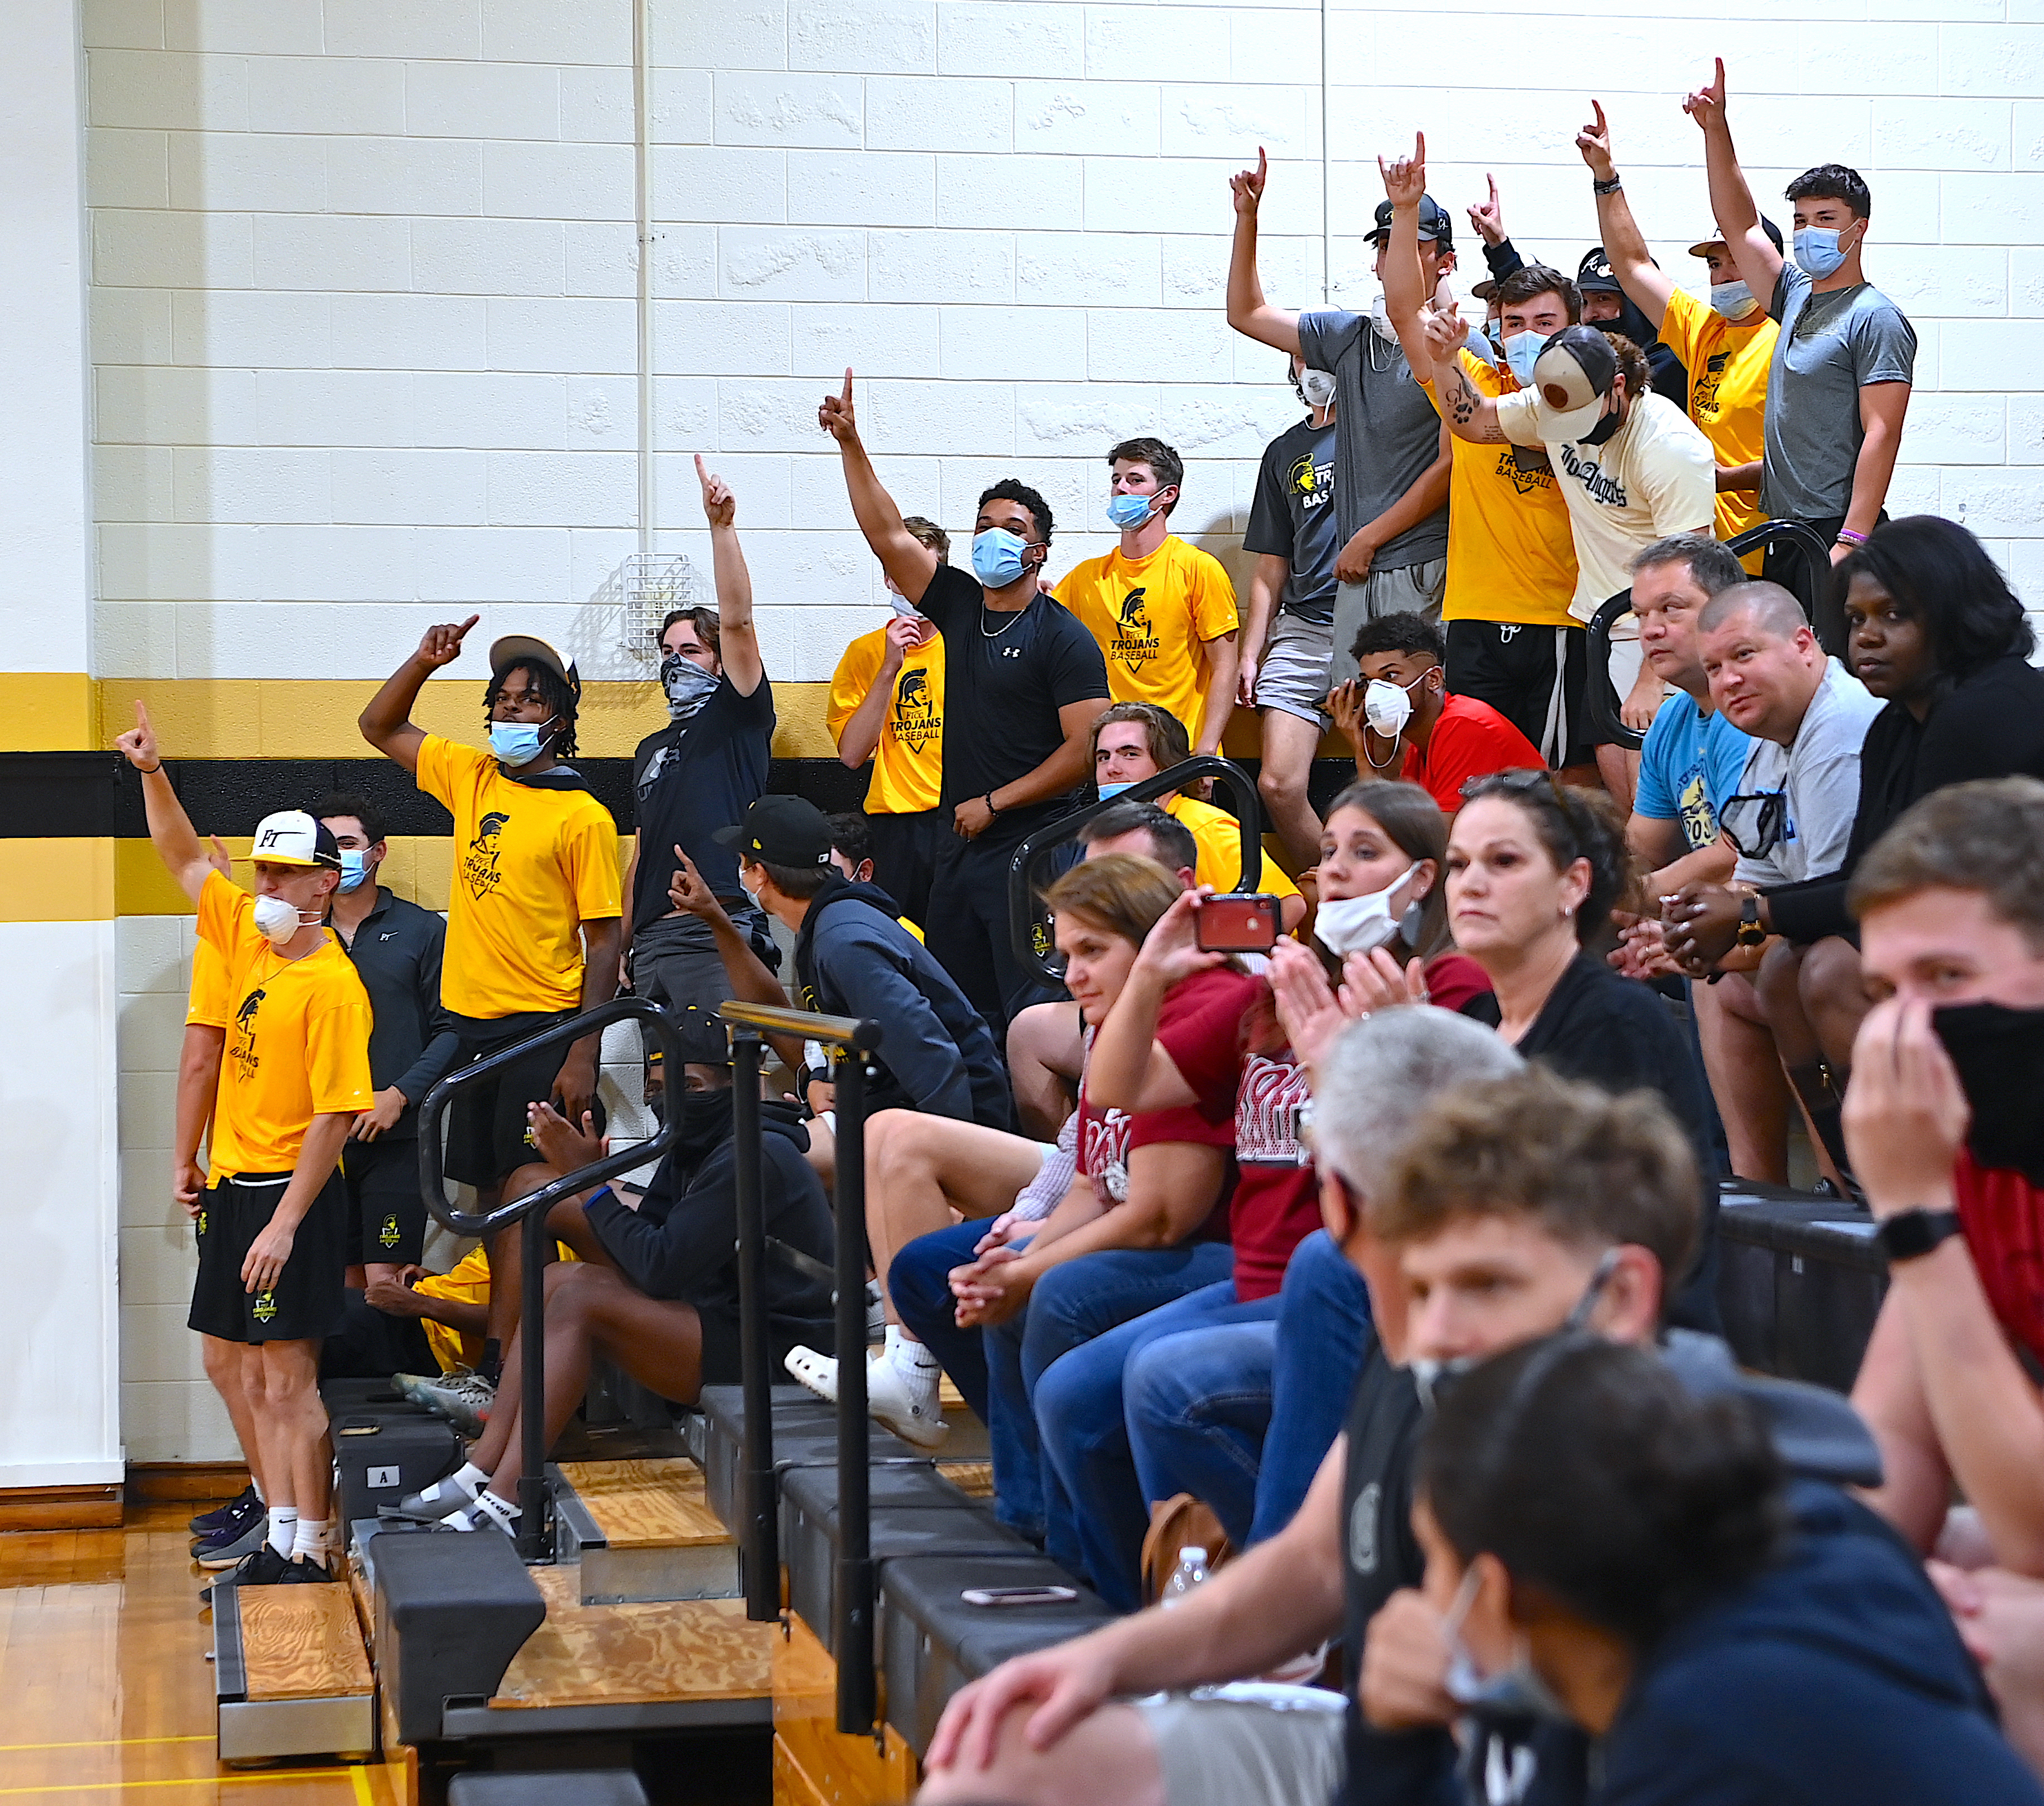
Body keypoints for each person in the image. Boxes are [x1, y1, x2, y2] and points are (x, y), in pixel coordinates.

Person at [1053, 781, 1491, 1606]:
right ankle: (1132, 1605)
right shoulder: (1276, 988)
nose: (1337, 873)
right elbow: (1116, 1089)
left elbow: (1413, 1169)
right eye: (1328, 853)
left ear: (1422, 879)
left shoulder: (1446, 983)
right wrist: (1151, 969)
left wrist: (1356, 1044)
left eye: (1367, 854)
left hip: (1341, 1277)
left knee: (1162, 1381)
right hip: (1251, 1281)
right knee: (1072, 1393)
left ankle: (1281, 1609)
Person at [1416, 1335, 2044, 1806]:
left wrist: (1393, 1746)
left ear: (1496, 1591)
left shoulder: (1701, 1737)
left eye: (1436, 1562)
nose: (1426, 1599)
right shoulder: (1801, 1574)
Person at [1664, 518, 2044, 1169]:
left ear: (1954, 613)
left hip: (2015, 959)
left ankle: (1922, 1179)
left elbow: (1908, 897)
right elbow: (1867, 876)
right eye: (1857, 616)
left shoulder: (1989, 712)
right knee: (1783, 969)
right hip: (1962, 942)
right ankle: (1853, 1177)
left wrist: (1752, 914)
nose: (1866, 635)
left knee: (1831, 968)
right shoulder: (1898, 725)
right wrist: (1733, 919)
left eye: (1893, 615)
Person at [880, 856, 1237, 1537]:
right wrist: (1025, 1242)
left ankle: (1078, 1539)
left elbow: (1161, 1216)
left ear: (1156, 938)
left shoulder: (1197, 1007)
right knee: (940, 1271)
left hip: (1211, 1246)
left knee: (1053, 1294)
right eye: (1065, 952)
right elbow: (1089, 1178)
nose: (1071, 974)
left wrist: (1029, 1266)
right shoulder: (1111, 1021)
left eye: (1092, 951)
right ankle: (1032, 1505)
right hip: (1136, 1221)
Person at [117, 703, 373, 1588]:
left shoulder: (335, 987)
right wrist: (154, 772)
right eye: (262, 867)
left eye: (286, 872)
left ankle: (308, 1544)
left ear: (324, 885)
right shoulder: (247, 938)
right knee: (246, 1375)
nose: (265, 883)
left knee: (288, 1386)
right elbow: (186, 857)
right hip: (236, 1186)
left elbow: (334, 1118)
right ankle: (285, 1532)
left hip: (285, 1197)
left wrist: (285, 1224)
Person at [399, 1062, 835, 1537]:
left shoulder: (754, 1154)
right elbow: (649, 1239)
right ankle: (481, 1471)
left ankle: (511, 1498)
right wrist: (592, 1180)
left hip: (785, 1355)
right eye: (655, 1088)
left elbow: (657, 1268)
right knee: (555, 1281)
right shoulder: (694, 1143)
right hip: (724, 1314)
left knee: (577, 1300)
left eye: (689, 1085)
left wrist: (589, 1181)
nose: (668, 1099)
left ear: (733, 1083)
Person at [357, 621, 621, 1374]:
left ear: (559, 721)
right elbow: (379, 726)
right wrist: (422, 661)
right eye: (503, 702)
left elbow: (604, 945)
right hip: (470, 1031)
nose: (512, 714)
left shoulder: (583, 817)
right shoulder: (471, 776)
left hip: (539, 1031)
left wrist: (583, 1049)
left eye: (530, 703)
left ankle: (509, 1371)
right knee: (486, 1203)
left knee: (523, 1205)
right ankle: (500, 1369)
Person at [822, 369, 1112, 1030]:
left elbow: (1088, 747)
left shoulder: (1063, 637)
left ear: (1038, 550)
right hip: (960, 845)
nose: (993, 537)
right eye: (984, 524)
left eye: (1011, 527)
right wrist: (850, 443)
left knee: (1031, 1012)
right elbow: (888, 536)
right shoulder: (956, 604)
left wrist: (997, 802)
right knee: (960, 1011)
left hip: (1032, 847)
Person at [1419, 242, 1716, 804]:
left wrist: (1653, 675)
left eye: (1581, 418)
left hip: (1663, 630)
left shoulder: (1669, 447)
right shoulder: (1553, 403)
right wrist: (1444, 360)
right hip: (1599, 623)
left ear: (1619, 389)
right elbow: (1476, 422)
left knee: (1659, 795)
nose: (1568, 429)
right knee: (1621, 793)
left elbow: (1691, 578)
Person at [1844, 777, 2044, 1580]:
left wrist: (1916, 1221)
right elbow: (1889, 1460)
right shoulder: (1964, 1147)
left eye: (1947, 978)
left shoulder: (1928, 1179)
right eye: (1884, 994)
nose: (1903, 1031)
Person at [1446, 770, 1720, 1327]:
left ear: (1572, 885)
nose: (1470, 884)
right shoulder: (1472, 1025)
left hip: (1610, 1344)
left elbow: (1584, 1231)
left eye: (1503, 862)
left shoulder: (1614, 1022)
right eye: (1457, 864)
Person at [1659, 585, 1880, 1183]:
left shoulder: (1836, 731)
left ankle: (1861, 1177)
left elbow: (1832, 909)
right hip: (1835, 928)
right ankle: (1760, 1184)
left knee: (1806, 967)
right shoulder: (1766, 738)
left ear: (1803, 645)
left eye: (1744, 656)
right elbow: (1751, 889)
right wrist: (1676, 943)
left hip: (1893, 935)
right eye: (1714, 667)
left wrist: (1729, 926)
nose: (1728, 679)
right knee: (1719, 983)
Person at [1377, 144, 1585, 772]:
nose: (1526, 334)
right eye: (1513, 322)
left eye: (1543, 322)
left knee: (1558, 784)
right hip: (1471, 617)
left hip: (1560, 618)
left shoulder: (1591, 395)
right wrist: (1408, 214)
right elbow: (1403, 311)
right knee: (1473, 782)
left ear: (1574, 330)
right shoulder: (1470, 378)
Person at [1686, 58, 1916, 578]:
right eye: (1800, 220)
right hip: (1784, 528)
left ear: (1858, 228)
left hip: (1837, 534)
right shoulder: (1791, 294)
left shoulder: (1874, 317)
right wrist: (1715, 130)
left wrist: (1851, 540)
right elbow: (1739, 223)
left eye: (1825, 219)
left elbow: (1882, 433)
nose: (1809, 230)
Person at [1226, 150, 1452, 663]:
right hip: (1357, 569)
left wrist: (1370, 538)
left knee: (1411, 711)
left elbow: (1450, 465)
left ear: (1445, 261)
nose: (1396, 256)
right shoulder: (1346, 337)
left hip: (1419, 561)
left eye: (1413, 244)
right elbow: (1246, 313)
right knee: (1359, 718)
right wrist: (1248, 219)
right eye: (1388, 245)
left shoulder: (1458, 346)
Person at [623, 456, 777, 1111]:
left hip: (714, 926)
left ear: (718, 660)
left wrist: (721, 529)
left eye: (690, 651)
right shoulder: (650, 748)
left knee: (716, 1090)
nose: (674, 662)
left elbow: (739, 621)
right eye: (666, 652)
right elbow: (642, 853)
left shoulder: (738, 715)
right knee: (664, 1095)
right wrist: (627, 942)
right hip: (655, 941)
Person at [717, 793, 1010, 1129]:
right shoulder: (823, 926)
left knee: (768, 1154)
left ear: (760, 874)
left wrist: (948, 1158)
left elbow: (930, 1056)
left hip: (955, 1115)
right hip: (888, 1101)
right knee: (748, 1133)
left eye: (743, 863)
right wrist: (821, 1082)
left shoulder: (844, 941)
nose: (741, 875)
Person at [1575, 99, 1779, 559]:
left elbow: (1810, 463)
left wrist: (1722, 478)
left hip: (1770, 552)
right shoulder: (1704, 329)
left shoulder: (1790, 337)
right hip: (1705, 554)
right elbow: (1631, 265)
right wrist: (1605, 178)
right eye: (1714, 264)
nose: (1723, 275)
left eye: (1735, 261)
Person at [316, 795, 459, 1290]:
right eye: (327, 847)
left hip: (396, 1137)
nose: (336, 857)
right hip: (315, 1135)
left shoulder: (422, 930)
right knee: (337, 1282)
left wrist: (398, 1096)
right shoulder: (298, 937)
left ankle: (396, 1368)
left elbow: (453, 1030)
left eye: (348, 844)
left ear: (378, 852)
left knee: (385, 1280)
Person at [1007, 801, 1200, 1143]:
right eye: (1090, 877)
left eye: (1118, 877)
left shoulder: (1224, 984)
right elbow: (1079, 1160)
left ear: (1181, 885)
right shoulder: (1104, 1005)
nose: (1092, 899)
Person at [1056, 438, 1240, 755]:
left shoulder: (1198, 568)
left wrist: (1208, 749)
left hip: (1183, 751)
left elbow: (1226, 666)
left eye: (1135, 480)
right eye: (1116, 480)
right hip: (1112, 755)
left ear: (1167, 495)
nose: (1121, 489)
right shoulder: (1086, 577)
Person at [1240, 354, 1343, 866]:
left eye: (1323, 357)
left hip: (1371, 623)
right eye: (1303, 358)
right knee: (1277, 784)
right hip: (1302, 628)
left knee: (1388, 786)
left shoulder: (1376, 436)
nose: (1313, 368)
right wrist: (1250, 653)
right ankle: (1335, 897)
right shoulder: (1283, 451)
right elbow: (1270, 567)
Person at [828, 514, 951, 926]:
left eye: (924, 571)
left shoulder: (966, 643)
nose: (911, 583)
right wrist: (888, 669)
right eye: (900, 571)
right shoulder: (863, 653)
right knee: (896, 941)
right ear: (887, 579)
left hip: (956, 817)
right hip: (893, 827)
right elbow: (851, 755)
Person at [1091, 701, 1303, 931]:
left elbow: (1289, 905)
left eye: (1130, 754)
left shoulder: (1200, 824)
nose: (1111, 768)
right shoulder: (1109, 833)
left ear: (1166, 766)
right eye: (1103, 757)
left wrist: (1216, 961)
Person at [1624, 534, 1751, 894]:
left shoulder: (1749, 711)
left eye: (1671, 608)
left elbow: (1736, 854)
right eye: (1641, 615)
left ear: (1727, 610)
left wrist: (1635, 899)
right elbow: (1642, 847)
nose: (1651, 630)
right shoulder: (1671, 719)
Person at [1330, 612, 1543, 814]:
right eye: (1368, 681)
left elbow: (1435, 841)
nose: (1376, 691)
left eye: (1391, 675)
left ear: (1434, 680)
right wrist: (1361, 749)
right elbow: (1397, 828)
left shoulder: (1464, 726)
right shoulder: (1418, 745)